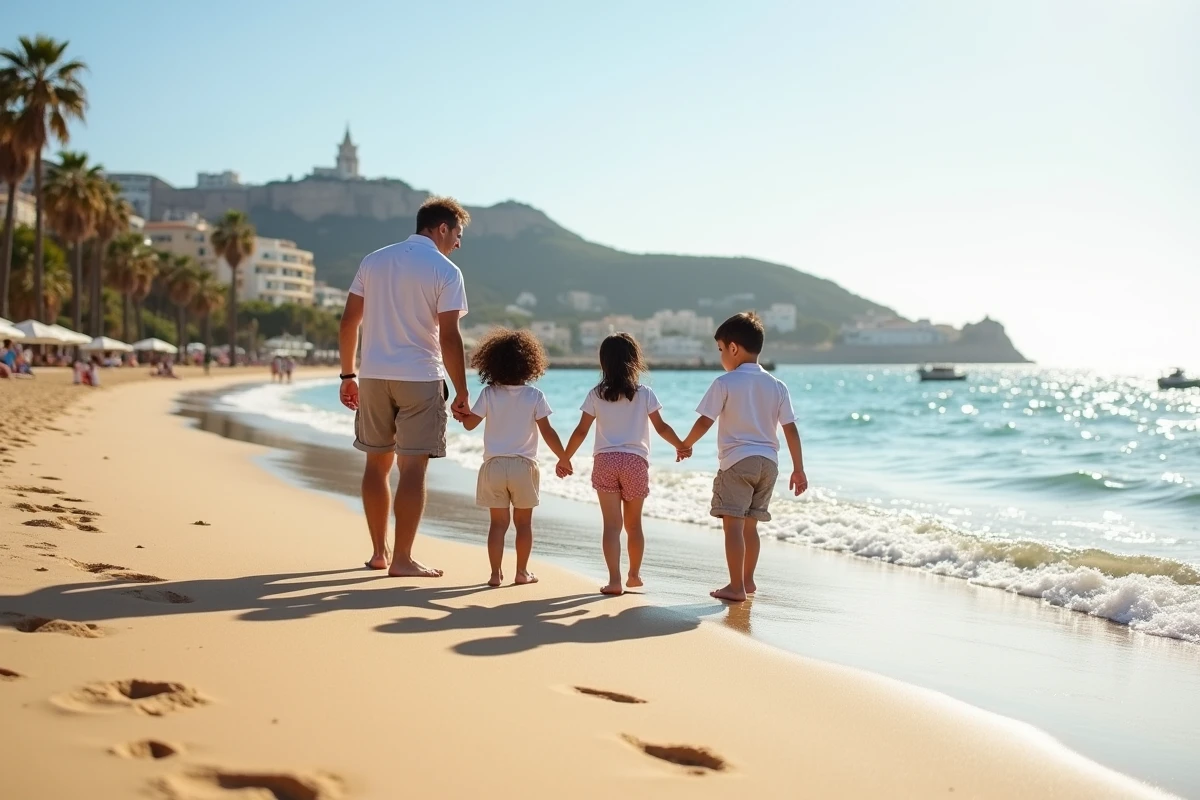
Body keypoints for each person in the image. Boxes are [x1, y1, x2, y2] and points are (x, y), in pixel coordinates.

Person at [338, 196, 472, 577]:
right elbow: (449, 336)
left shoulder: (374, 260)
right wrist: (462, 391)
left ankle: (380, 553)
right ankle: (402, 560)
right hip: (420, 376)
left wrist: (348, 375)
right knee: (412, 469)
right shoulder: (446, 270)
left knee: (376, 464)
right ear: (442, 228)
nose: (458, 243)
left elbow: (349, 322)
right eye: (457, 234)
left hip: (374, 375)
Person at [678, 312, 807, 602]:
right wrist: (798, 469)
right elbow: (790, 430)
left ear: (733, 348)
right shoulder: (777, 386)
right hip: (769, 464)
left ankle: (735, 587)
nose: (721, 356)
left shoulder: (725, 383)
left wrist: (685, 444)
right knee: (751, 526)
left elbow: (704, 421)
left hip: (737, 462)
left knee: (733, 526)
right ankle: (748, 581)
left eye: (721, 349)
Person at [559, 333, 688, 595]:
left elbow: (581, 431)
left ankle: (614, 580)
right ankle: (634, 575)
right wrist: (681, 444)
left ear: (604, 362)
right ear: (635, 360)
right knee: (634, 526)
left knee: (611, 526)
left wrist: (565, 457)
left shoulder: (596, 394)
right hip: (634, 462)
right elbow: (661, 427)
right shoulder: (644, 394)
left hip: (605, 461)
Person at [458, 329, 569, 587]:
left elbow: (469, 425)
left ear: (492, 362)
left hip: (494, 466)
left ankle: (495, 574)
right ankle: (522, 572)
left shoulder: (489, 394)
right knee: (523, 524)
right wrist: (563, 457)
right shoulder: (535, 396)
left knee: (497, 524)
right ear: (530, 364)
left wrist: (461, 413)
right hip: (523, 466)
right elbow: (548, 431)